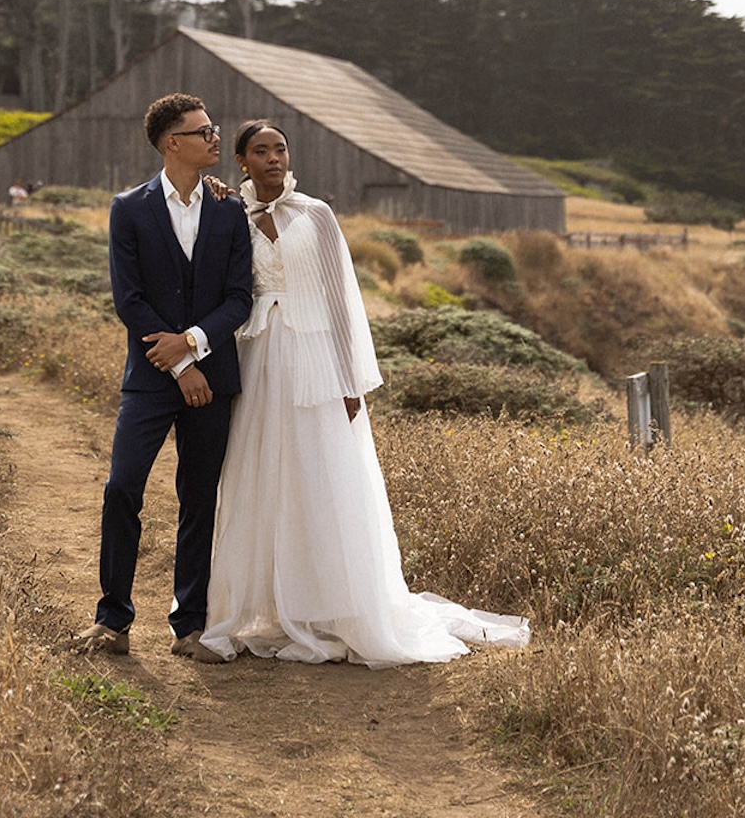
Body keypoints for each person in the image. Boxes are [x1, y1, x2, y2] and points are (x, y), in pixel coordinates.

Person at [199, 121, 530, 667]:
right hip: (258, 358)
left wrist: (350, 379)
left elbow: (341, 299)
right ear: (241, 160)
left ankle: (331, 608)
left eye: (280, 148)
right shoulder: (228, 213)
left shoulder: (316, 215)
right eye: (261, 151)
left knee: (320, 472)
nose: (274, 158)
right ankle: (263, 608)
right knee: (261, 473)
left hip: (315, 360)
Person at [71, 93, 253, 661]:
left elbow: (238, 297)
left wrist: (195, 346)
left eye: (213, 129)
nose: (215, 139)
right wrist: (178, 365)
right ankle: (113, 620)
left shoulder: (228, 209)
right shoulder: (128, 207)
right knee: (122, 487)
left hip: (214, 377)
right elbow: (129, 300)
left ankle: (190, 626)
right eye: (203, 132)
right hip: (150, 381)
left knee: (199, 499)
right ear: (173, 143)